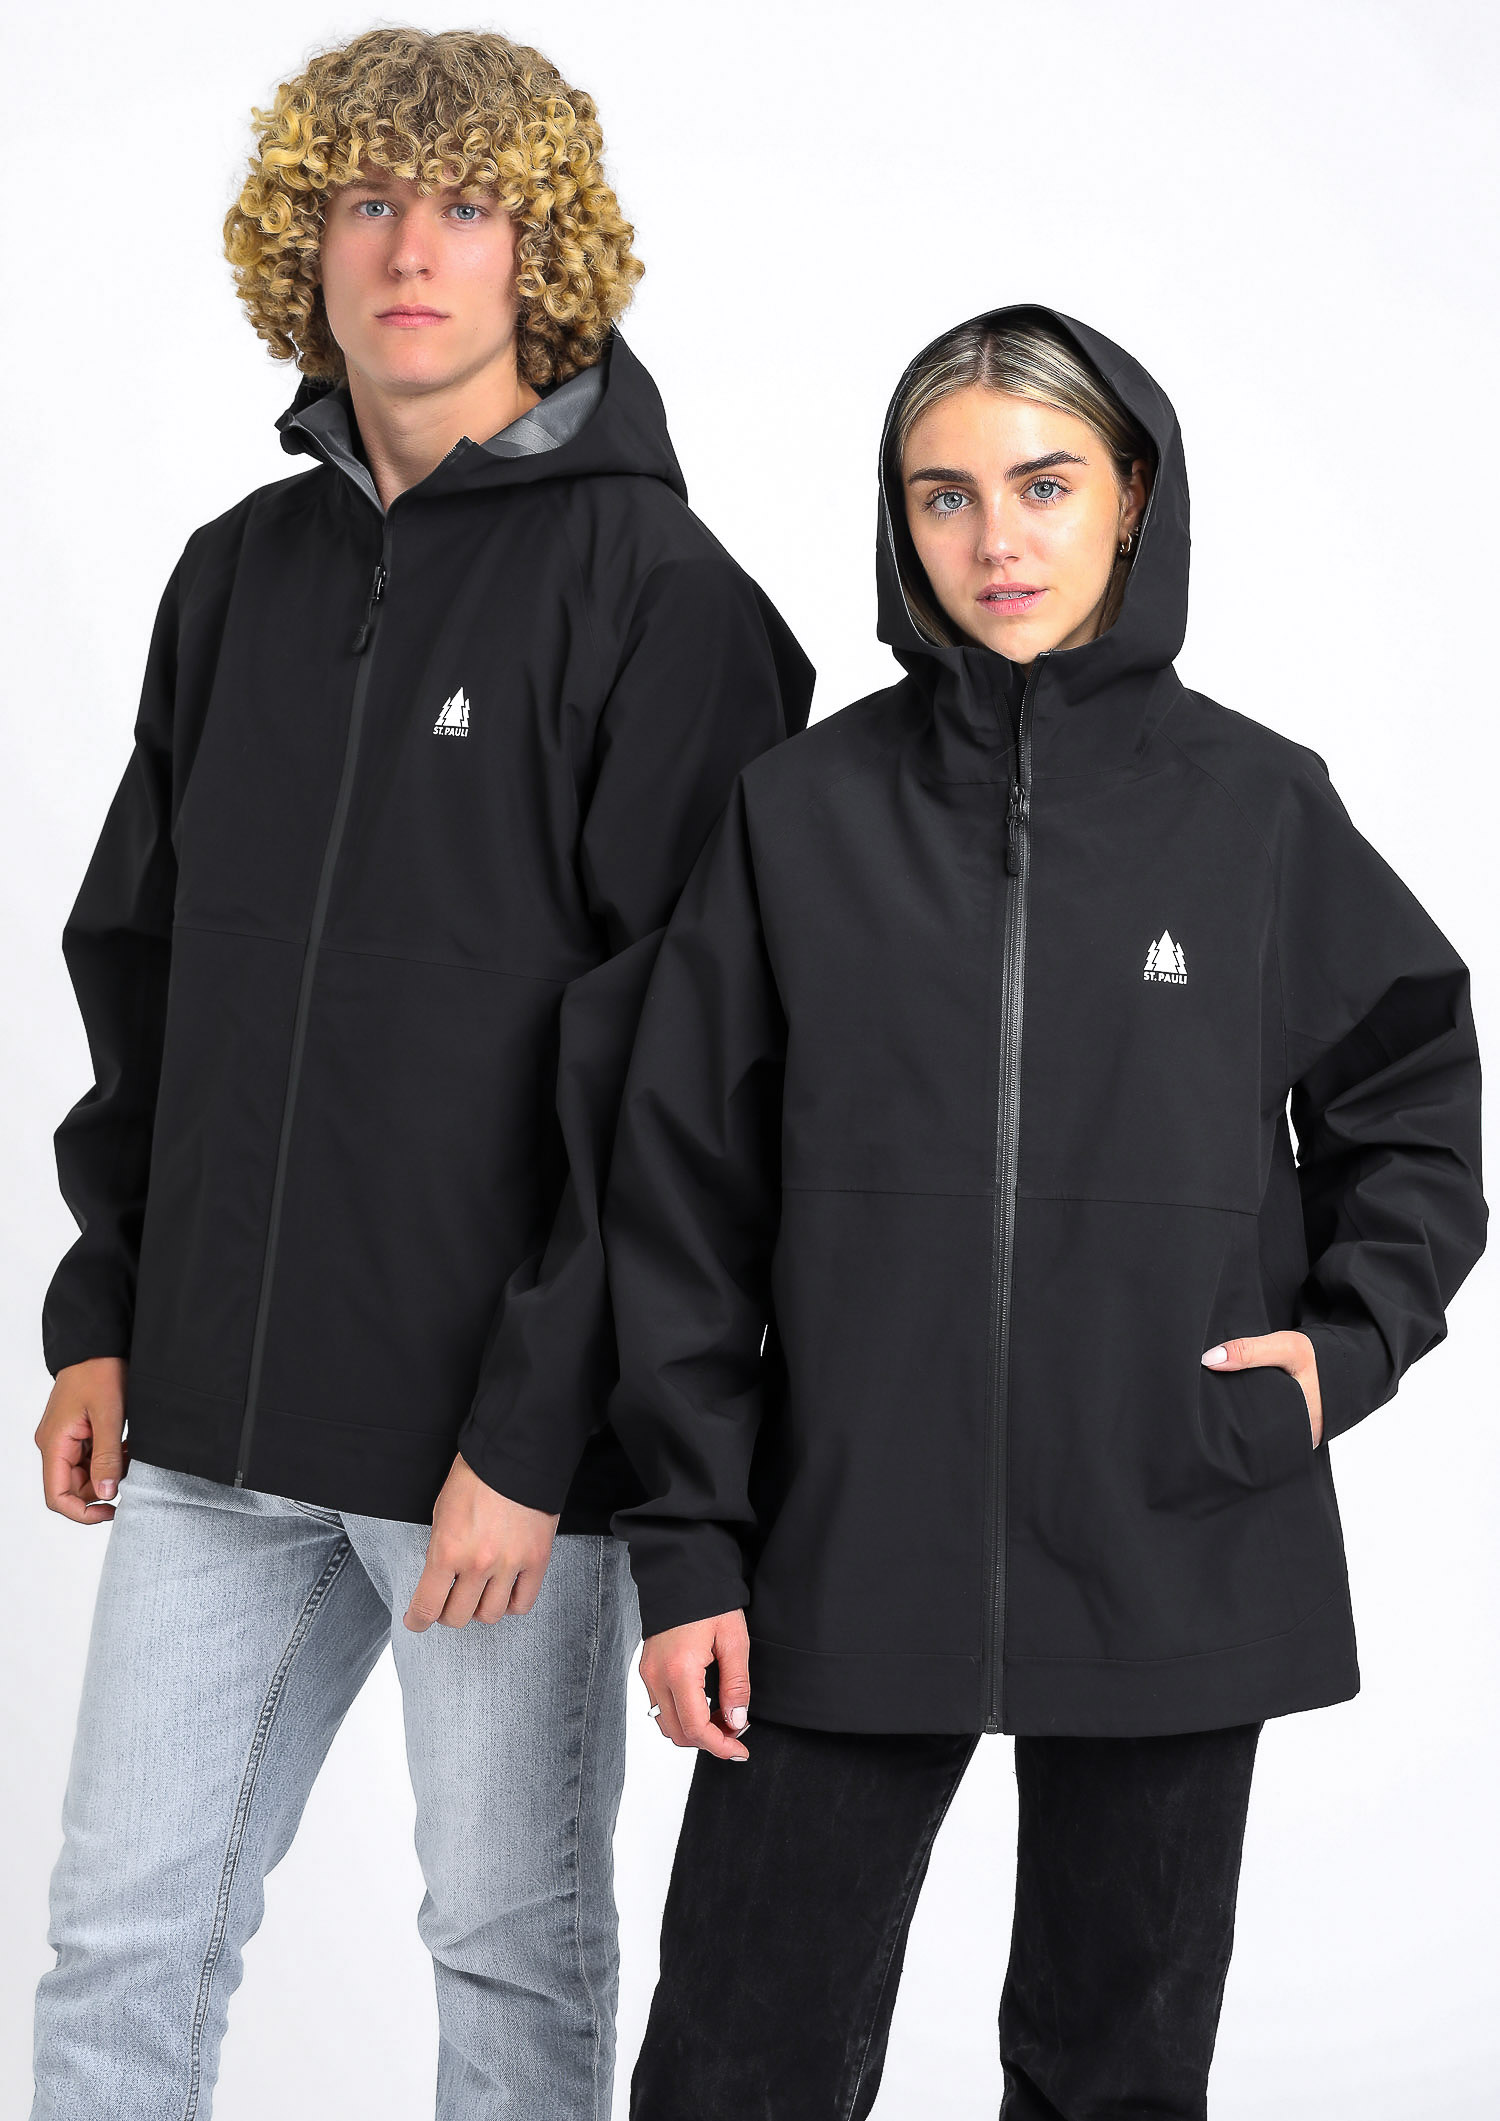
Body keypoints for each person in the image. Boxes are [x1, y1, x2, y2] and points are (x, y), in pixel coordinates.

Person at [32, 27, 810, 2120]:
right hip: (210, 1424)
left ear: (545, 252)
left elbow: (694, 1080)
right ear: (307, 238)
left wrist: (538, 1433)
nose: (410, 251)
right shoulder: (237, 574)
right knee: (120, 1940)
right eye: (368, 201)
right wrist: (104, 1308)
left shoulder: (666, 600)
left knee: (509, 1950)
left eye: (468, 207)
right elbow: (143, 965)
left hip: (495, 1452)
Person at [603, 304, 1487, 2118]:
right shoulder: (802, 812)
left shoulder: (1257, 809)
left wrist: (1337, 1354)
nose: (995, 539)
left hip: (1175, 1520)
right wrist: (689, 1549)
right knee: (736, 2069)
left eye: (1043, 484)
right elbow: (681, 1197)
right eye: (945, 495)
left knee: (1116, 2075)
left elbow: (1414, 1094)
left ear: (1132, 496)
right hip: (840, 1543)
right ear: (900, 521)